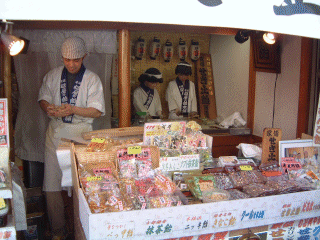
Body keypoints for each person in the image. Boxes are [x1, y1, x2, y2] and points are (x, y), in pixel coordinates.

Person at [38, 36, 105, 239]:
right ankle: (58, 230)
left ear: (84, 57)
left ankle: (81, 230)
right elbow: (43, 98)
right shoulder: (52, 75)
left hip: (81, 136)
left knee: (81, 185)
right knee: (51, 184)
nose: (71, 64)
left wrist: (73, 109)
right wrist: (47, 107)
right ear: (62, 57)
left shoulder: (92, 79)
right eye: (67, 59)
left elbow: (96, 111)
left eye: (75, 60)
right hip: (56, 134)